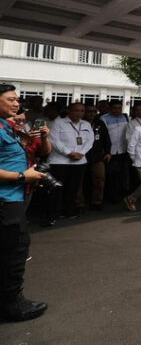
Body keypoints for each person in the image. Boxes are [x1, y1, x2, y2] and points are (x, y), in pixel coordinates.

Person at [0, 84, 48, 322]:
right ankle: (10, 304)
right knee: (14, 250)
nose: (16, 103)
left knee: (13, 249)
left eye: (17, 100)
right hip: (5, 200)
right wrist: (22, 176)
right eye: (11, 99)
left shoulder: (8, 127)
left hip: (16, 196)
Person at [48, 103, 94, 218]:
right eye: (76, 110)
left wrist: (81, 153)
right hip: (59, 162)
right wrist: (69, 153)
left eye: (82, 111)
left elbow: (90, 141)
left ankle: (67, 211)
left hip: (79, 161)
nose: (79, 113)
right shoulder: (57, 123)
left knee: (72, 188)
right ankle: (53, 213)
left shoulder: (86, 124)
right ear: (69, 111)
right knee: (57, 189)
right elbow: (54, 140)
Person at [78, 104, 111, 210]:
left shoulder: (100, 123)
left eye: (93, 111)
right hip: (80, 157)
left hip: (97, 157)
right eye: (88, 111)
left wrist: (108, 152)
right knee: (79, 181)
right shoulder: (78, 124)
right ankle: (79, 203)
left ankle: (97, 201)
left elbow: (106, 138)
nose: (91, 114)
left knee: (100, 179)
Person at [100, 100, 130, 205]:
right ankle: (111, 196)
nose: (117, 110)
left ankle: (121, 195)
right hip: (110, 152)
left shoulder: (125, 117)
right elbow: (103, 136)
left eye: (119, 108)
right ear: (110, 108)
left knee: (123, 174)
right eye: (115, 108)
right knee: (111, 176)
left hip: (123, 151)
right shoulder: (104, 119)